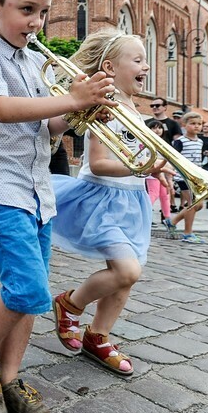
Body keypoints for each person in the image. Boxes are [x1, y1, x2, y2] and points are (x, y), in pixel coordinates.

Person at [0, 0, 116, 413]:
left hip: (36, 189)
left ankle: (9, 377)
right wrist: (74, 96)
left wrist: (81, 114)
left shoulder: (33, 61)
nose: (37, 22)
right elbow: (2, 109)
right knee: (26, 290)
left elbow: (47, 127)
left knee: (32, 291)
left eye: (42, 12)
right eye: (27, 10)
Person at [51, 28, 163, 378]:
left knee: (126, 278)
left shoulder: (134, 108)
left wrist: (155, 166)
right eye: (138, 59)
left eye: (146, 59)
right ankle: (70, 303)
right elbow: (98, 163)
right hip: (102, 199)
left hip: (132, 202)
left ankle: (98, 337)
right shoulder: (107, 104)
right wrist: (142, 165)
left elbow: (135, 160)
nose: (146, 66)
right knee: (127, 270)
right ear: (111, 68)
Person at [168, 112, 206, 243]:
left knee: (198, 205)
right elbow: (173, 159)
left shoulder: (200, 141)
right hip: (183, 177)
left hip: (197, 178)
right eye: (193, 123)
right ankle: (188, 233)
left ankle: (173, 221)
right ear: (184, 125)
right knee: (193, 204)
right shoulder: (179, 142)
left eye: (199, 124)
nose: (196, 126)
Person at [145, 121, 178, 237]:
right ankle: (145, 214)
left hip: (164, 171)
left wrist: (170, 180)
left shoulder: (165, 143)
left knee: (165, 196)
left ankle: (168, 219)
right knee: (153, 194)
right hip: (153, 171)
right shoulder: (147, 142)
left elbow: (167, 159)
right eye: (154, 128)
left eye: (159, 128)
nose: (157, 130)